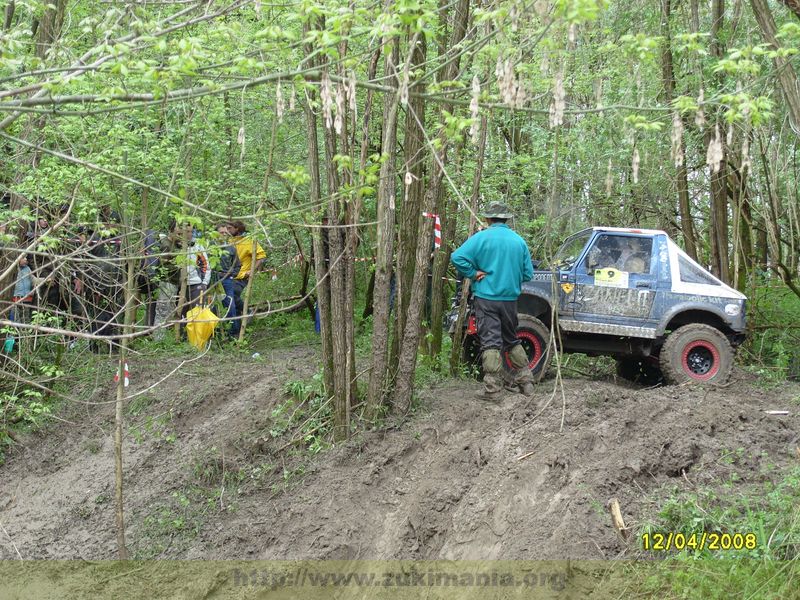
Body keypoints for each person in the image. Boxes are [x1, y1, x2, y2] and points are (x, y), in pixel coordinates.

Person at [451, 202, 535, 400]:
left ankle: (493, 390)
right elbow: (528, 274)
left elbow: (457, 257)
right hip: (510, 300)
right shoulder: (519, 241)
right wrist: (510, 278)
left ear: (488, 219)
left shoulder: (481, 238)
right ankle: (527, 383)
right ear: (506, 219)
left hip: (486, 298)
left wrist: (472, 273)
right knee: (511, 339)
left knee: (491, 342)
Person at [227, 220, 266, 328]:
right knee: (227, 299)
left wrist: (252, 270)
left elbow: (261, 256)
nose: (227, 230)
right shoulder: (228, 240)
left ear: (237, 229)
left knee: (233, 295)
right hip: (228, 275)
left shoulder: (249, 240)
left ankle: (247, 311)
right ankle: (235, 325)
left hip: (242, 276)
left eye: (230, 228)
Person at [213, 222, 241, 338]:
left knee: (230, 305)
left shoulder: (231, 248)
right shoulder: (210, 247)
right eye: (221, 232)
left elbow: (237, 264)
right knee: (212, 305)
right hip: (212, 280)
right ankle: (213, 331)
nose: (224, 234)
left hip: (227, 280)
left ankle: (233, 332)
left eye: (225, 232)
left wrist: (231, 275)